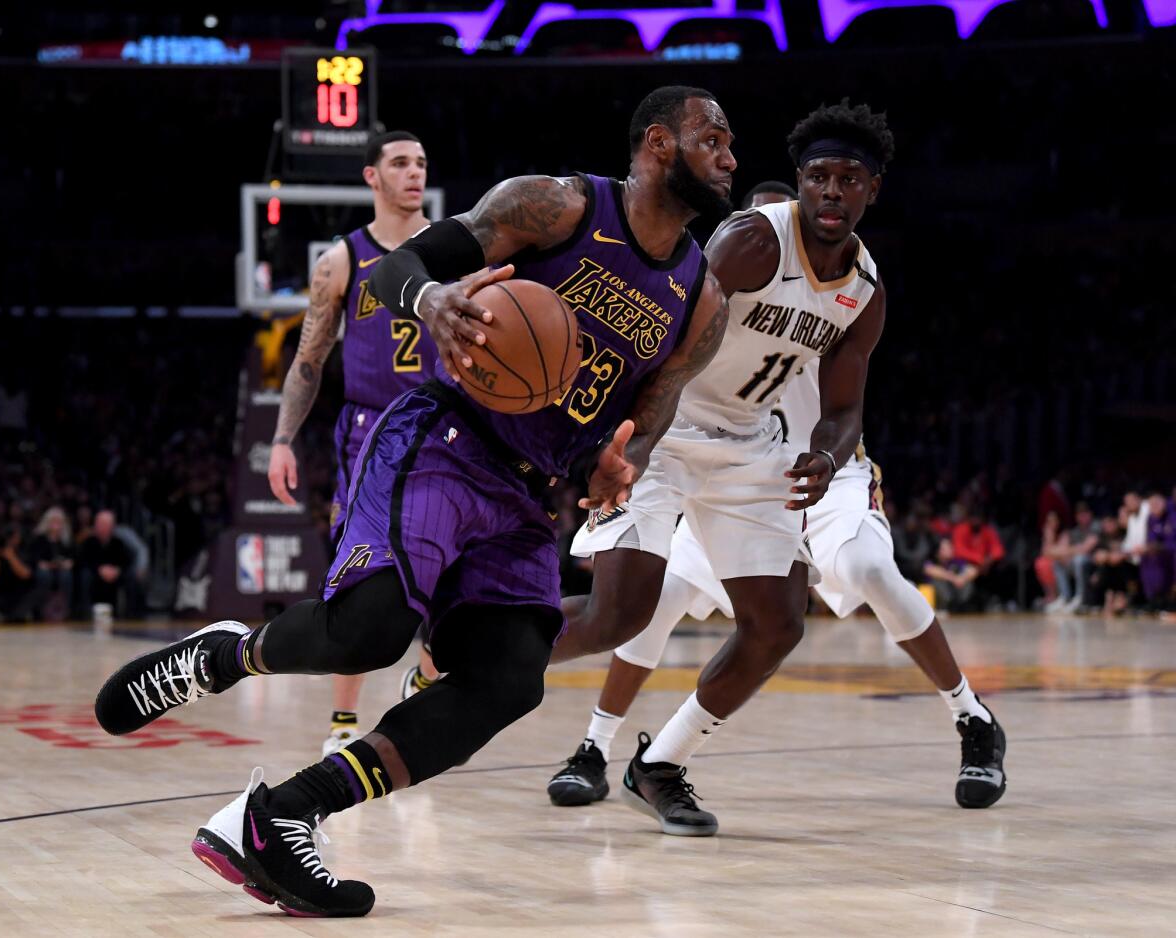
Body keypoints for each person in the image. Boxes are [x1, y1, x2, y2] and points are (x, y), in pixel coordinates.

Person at [93, 85, 736, 917]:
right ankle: (222, 656)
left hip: (532, 496)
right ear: (657, 143)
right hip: (444, 440)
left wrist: (626, 460)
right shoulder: (558, 206)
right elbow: (402, 267)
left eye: (730, 143)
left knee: (509, 679)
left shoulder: (702, 298)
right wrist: (429, 299)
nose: (728, 154)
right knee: (369, 630)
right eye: (712, 137)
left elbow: (662, 396)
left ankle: (282, 815)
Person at [548, 148, 1004, 825]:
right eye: (816, 181)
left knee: (824, 593)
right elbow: (661, 336)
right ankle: (582, 736)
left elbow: (844, 408)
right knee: (634, 604)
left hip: (786, 462)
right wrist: (620, 435)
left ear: (870, 191)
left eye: (847, 181)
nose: (829, 194)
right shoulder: (747, 250)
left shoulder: (858, 290)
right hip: (682, 437)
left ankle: (662, 763)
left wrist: (827, 450)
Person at [264, 130, 443, 757]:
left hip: (445, 429)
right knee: (359, 575)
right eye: (399, 163)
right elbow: (309, 359)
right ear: (372, 176)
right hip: (369, 433)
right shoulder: (343, 259)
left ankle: (424, 675)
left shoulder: (453, 249)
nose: (413, 173)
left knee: (455, 569)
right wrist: (283, 439)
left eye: (420, 163)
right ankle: (344, 719)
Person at [77, 509, 131, 619]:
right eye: (100, 524)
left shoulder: (118, 543)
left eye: (106, 524)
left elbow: (126, 562)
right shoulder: (88, 542)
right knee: (85, 576)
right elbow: (83, 561)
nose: (103, 527)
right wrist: (99, 569)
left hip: (113, 575)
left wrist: (117, 570)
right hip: (94, 574)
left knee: (131, 577)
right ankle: (85, 612)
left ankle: (130, 613)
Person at [0, 523, 39, 621]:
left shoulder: (24, 551)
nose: (11, 540)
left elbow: (26, 574)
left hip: (19, 594)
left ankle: (19, 613)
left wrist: (11, 557)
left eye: (14, 537)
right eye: (9, 537)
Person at [30, 506, 75, 621]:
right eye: (53, 521)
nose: (56, 525)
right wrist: (43, 564)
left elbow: (73, 557)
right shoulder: (39, 538)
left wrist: (69, 563)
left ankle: (65, 610)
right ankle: (41, 611)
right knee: (43, 575)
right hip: (46, 570)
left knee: (66, 576)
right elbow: (34, 558)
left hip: (61, 570)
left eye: (59, 522)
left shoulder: (67, 540)